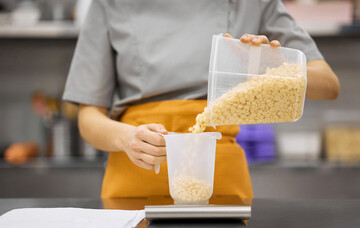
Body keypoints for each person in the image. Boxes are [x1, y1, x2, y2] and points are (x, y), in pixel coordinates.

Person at [63, 0, 339, 199]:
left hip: (219, 181)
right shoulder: (108, 4)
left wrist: (275, 65)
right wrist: (128, 138)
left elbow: (328, 84)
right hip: (135, 177)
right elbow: (88, 118)